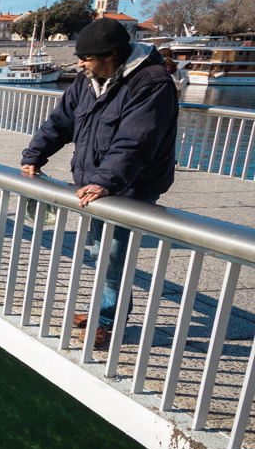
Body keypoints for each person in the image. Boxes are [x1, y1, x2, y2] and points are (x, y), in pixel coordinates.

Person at [20, 18, 179, 348]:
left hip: (132, 184)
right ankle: (105, 310)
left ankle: (108, 319)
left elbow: (136, 141)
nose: (79, 63)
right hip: (97, 182)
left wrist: (107, 179)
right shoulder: (87, 78)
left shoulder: (151, 83)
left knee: (113, 253)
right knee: (100, 250)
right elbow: (60, 121)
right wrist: (35, 154)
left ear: (113, 55)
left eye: (86, 58)